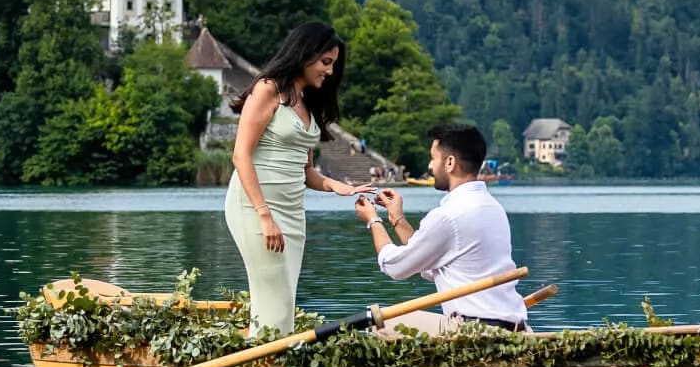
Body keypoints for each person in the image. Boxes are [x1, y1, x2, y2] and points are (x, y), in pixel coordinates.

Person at [225, 21, 364, 335]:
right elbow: (240, 155)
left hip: (291, 215)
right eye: (325, 62)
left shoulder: (308, 103)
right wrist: (264, 215)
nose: (329, 71)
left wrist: (336, 185)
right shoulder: (268, 89)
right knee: (274, 304)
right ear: (306, 54)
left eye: (333, 65)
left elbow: (306, 173)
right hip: (255, 209)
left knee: (282, 304)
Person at [353, 123, 531, 333]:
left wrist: (373, 220)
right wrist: (397, 218)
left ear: (449, 162)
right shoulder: (492, 208)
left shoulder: (448, 216)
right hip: (513, 327)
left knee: (378, 325)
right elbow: (426, 262)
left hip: (473, 331)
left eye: (433, 158)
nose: (430, 166)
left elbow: (395, 266)